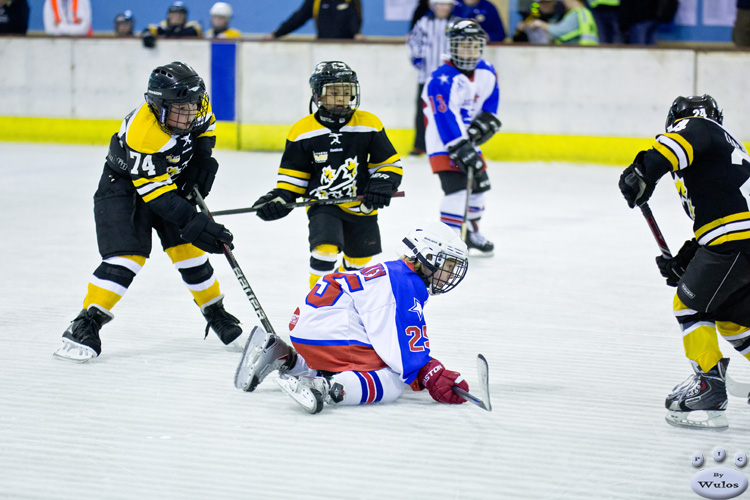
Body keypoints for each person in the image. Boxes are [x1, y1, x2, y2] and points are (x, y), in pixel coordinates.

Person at [54, 61, 242, 363]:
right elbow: (158, 198)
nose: (188, 114)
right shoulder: (144, 134)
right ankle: (84, 323)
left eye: (192, 106)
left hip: (167, 179)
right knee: (127, 256)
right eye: (179, 108)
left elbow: (206, 130)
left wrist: (200, 160)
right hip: (125, 187)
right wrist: (195, 222)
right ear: (157, 106)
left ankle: (216, 313)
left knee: (188, 250)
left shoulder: (197, 106)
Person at [234, 221, 472, 413]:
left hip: (314, 326)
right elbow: (401, 349)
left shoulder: (394, 272)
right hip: (330, 329)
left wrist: (421, 369)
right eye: (449, 265)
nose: (450, 274)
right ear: (429, 256)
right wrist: (430, 372)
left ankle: (286, 357)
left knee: (366, 363)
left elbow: (388, 335)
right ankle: (326, 388)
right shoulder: (406, 283)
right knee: (392, 380)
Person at [618, 95, 750, 430]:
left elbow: (677, 144)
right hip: (737, 238)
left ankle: (709, 388)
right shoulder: (725, 147)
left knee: (689, 306)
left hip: (735, 239)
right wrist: (688, 259)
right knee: (729, 312)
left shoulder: (696, 127)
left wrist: (642, 171)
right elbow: (722, 209)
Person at [251, 61, 403, 289]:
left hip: (361, 205)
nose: (341, 98)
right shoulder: (302, 131)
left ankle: (342, 293)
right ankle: (317, 301)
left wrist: (382, 183)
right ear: (318, 96)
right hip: (323, 204)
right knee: (325, 251)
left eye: (346, 91)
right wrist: (280, 198)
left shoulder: (369, 124)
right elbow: (294, 178)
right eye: (334, 92)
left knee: (360, 262)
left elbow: (389, 164)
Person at [422, 19, 501, 255]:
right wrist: (459, 144)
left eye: (473, 45)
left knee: (479, 188)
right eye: (462, 45)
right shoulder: (441, 78)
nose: (468, 51)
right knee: (457, 190)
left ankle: (472, 233)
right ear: (453, 46)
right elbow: (444, 116)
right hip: (443, 144)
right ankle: (450, 240)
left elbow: (490, 104)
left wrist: (484, 124)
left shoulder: (487, 71)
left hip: (469, 142)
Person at [407, 0, 457, 156]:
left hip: (451, 77)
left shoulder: (456, 24)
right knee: (423, 111)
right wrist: (416, 57)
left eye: (446, 4)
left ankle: (451, 143)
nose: (443, 7)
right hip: (426, 76)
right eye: (440, 4)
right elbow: (413, 41)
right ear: (434, 6)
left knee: (450, 110)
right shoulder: (423, 22)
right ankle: (420, 145)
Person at [262, 0, 364, 40]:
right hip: (322, 45)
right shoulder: (316, 2)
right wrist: (276, 34)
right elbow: (298, 18)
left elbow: (355, 18)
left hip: (347, 46)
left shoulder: (349, 1)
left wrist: (357, 34)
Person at [523, 0, 598, 45]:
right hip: (585, 51)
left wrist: (538, 23)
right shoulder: (585, 12)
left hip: (577, 51)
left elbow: (558, 31)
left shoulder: (576, 14)